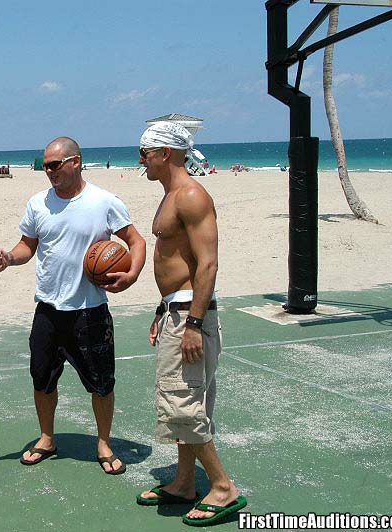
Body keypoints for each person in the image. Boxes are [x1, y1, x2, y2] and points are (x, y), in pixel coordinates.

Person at [0, 136, 146, 475]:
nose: (48, 171)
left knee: (102, 382)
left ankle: (104, 443)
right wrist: (9, 259)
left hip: (90, 312)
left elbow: (135, 241)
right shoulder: (38, 203)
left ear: (75, 162)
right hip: (47, 310)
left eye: (55, 164)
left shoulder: (104, 201)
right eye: (45, 165)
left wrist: (131, 275)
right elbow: (26, 246)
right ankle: (47, 438)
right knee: (42, 379)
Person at [135, 122, 246, 526]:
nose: (141, 158)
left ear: (166, 153)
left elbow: (208, 263)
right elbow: (175, 265)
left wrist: (194, 323)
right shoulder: (171, 196)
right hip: (177, 311)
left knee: (180, 404)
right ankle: (184, 482)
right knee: (187, 400)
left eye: (145, 151)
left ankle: (222, 487)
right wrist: (163, 310)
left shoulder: (192, 195)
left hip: (191, 318)